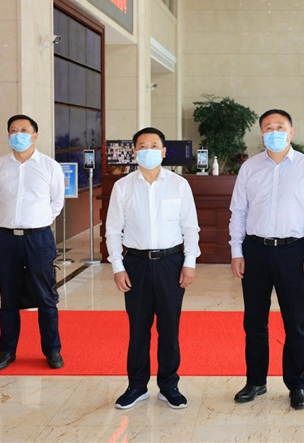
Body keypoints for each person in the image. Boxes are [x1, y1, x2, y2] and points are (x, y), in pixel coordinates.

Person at [229, 109, 304, 410]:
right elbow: (239, 212)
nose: (274, 131)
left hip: (293, 252)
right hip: (255, 251)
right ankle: (256, 381)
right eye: (269, 127)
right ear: (262, 133)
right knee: (254, 322)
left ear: (291, 132)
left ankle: (296, 384)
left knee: (295, 322)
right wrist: (237, 251)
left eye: (280, 126)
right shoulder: (250, 168)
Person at [106, 127, 200, 410]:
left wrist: (189, 262)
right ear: (135, 152)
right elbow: (113, 230)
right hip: (135, 264)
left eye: (154, 145)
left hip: (171, 263)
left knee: (169, 328)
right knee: (138, 329)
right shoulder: (123, 186)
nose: (148, 150)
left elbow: (190, 227)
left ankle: (169, 386)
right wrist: (117, 266)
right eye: (143, 146)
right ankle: (137, 386)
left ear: (164, 151)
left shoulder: (178, 184)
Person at [0, 115, 64, 371]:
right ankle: (7, 351)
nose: (18, 134)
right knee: (7, 297)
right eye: (13, 130)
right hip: (6, 239)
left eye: (23, 130)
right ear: (8, 135)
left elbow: (56, 202)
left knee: (46, 296)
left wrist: (37, 222)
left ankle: (52, 350)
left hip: (39, 238)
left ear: (35, 136)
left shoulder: (49, 166)